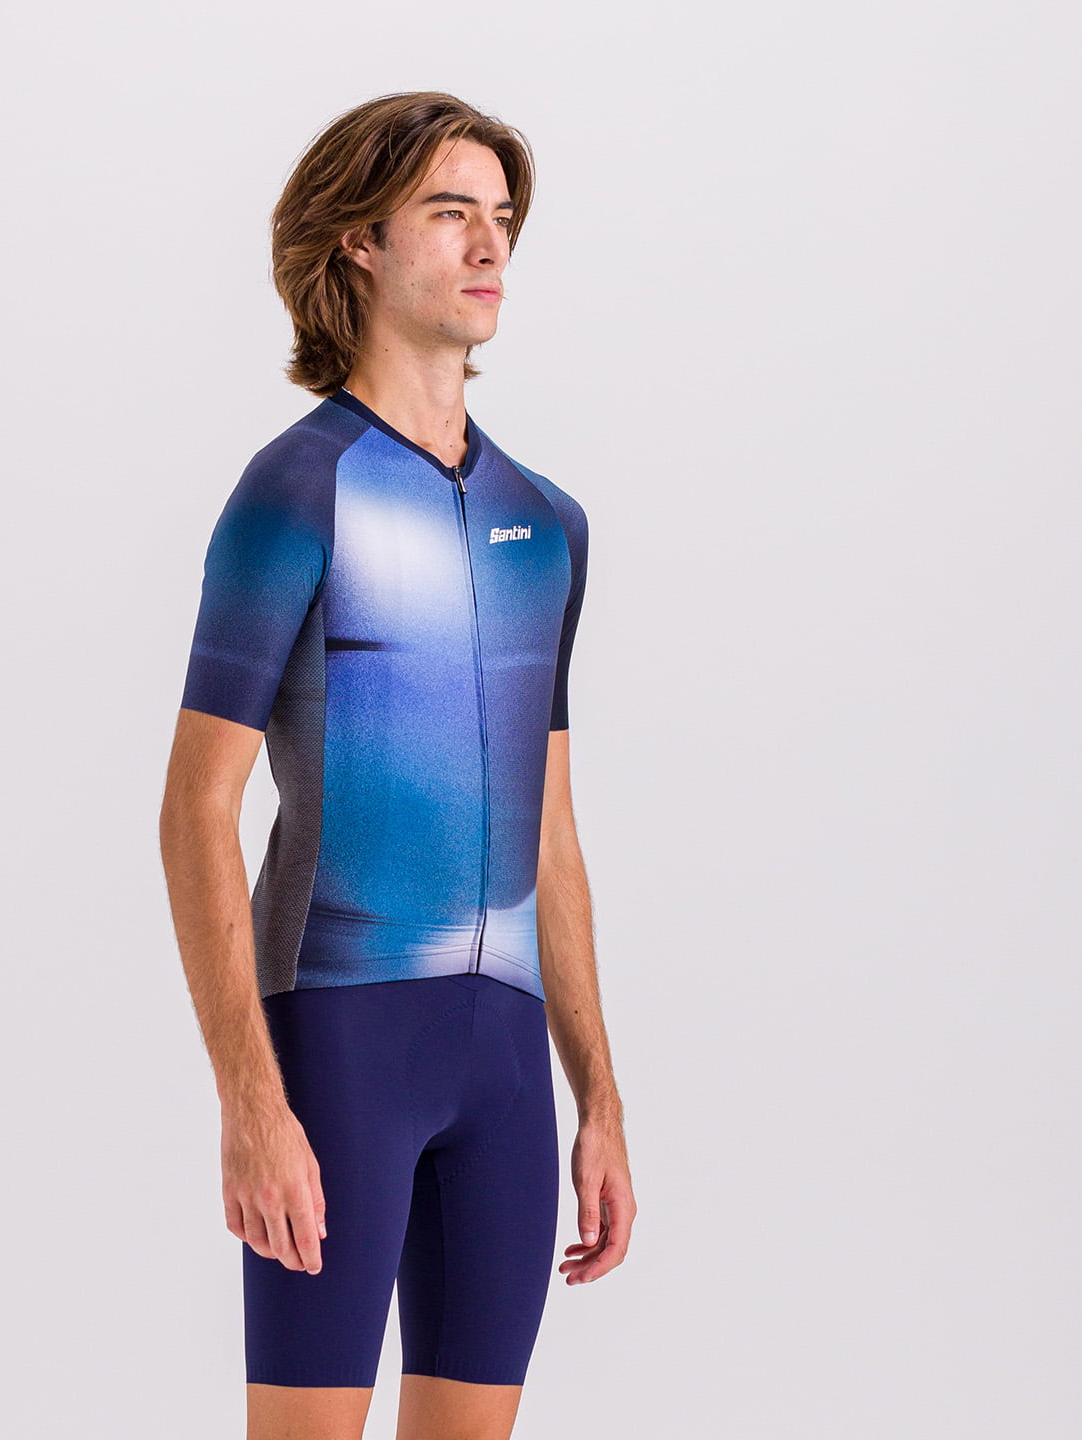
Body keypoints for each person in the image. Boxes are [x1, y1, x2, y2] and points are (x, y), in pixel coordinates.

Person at [159, 91, 635, 1440]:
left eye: (502, 218)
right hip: (339, 1044)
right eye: (448, 213)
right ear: (358, 242)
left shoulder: (548, 523)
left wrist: (599, 1099)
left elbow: (551, 835)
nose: (489, 246)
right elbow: (195, 810)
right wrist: (250, 1100)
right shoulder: (296, 489)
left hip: (505, 1069)